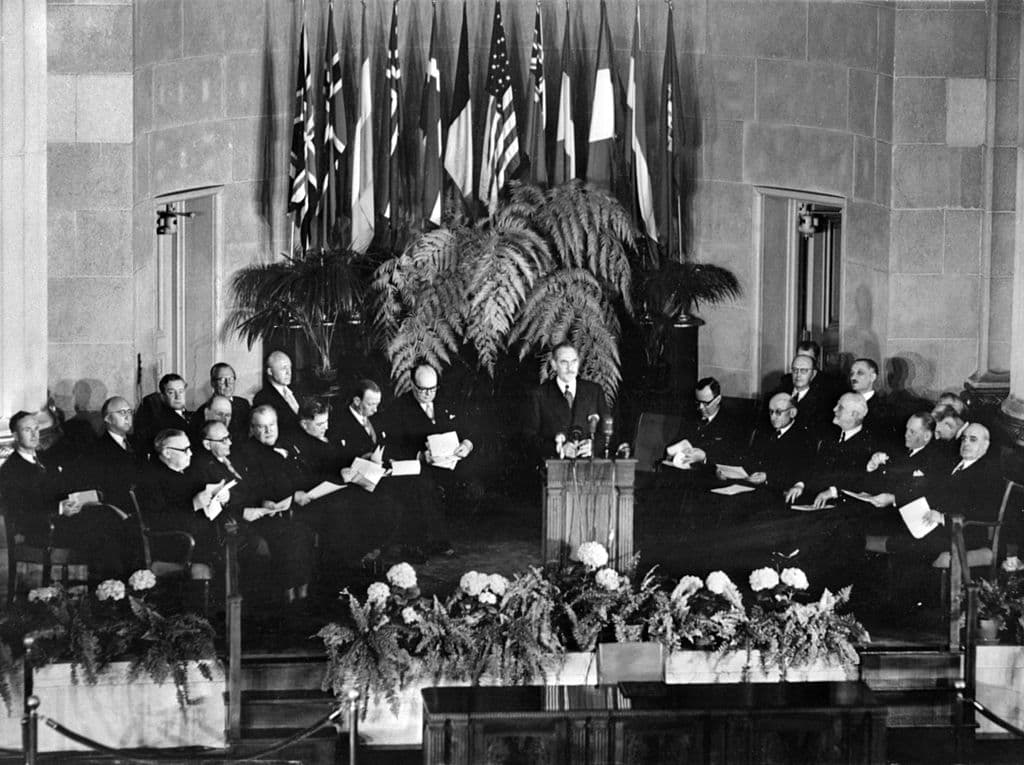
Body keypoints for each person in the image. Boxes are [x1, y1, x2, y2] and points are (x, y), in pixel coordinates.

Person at [191, 420, 315, 605]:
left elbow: (251, 490)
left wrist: (263, 502)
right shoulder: (203, 469)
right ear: (207, 444)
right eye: (223, 440)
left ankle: (299, 590)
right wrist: (244, 512)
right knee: (268, 543)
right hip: (234, 525)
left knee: (298, 531)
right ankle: (276, 599)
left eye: (229, 437)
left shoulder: (233, 460)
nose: (229, 443)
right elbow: (213, 510)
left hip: (257, 514)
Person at [0, 411, 129, 580]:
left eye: (36, 429)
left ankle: (118, 588)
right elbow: (20, 511)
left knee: (111, 518)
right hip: (41, 530)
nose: (34, 434)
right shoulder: (11, 470)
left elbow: (61, 489)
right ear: (16, 435)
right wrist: (59, 509)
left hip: (63, 523)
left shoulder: (45, 460)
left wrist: (83, 498)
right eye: (27, 430)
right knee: (101, 528)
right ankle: (108, 590)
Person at [135, 428, 220, 565]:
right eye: (185, 450)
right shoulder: (150, 480)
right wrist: (193, 505)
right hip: (180, 546)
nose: (191, 453)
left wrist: (219, 495)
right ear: (167, 453)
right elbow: (157, 521)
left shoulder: (189, 471)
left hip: (204, 537)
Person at [785, 393, 875, 509]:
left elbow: (859, 480)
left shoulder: (868, 444)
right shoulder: (829, 437)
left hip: (845, 507)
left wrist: (832, 492)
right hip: (816, 500)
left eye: (840, 407)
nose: (834, 409)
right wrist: (800, 485)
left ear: (854, 414)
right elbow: (814, 467)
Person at [524, 342, 610, 460]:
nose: (570, 368)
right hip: (552, 470)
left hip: (589, 469)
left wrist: (593, 446)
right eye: (564, 362)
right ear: (554, 365)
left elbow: (607, 432)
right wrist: (558, 448)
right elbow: (528, 438)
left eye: (574, 361)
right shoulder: (539, 394)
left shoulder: (595, 391)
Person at [665, 377, 744, 469]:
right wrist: (670, 453)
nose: (701, 407)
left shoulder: (731, 422)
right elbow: (679, 439)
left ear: (718, 400)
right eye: (698, 402)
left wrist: (704, 458)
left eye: (705, 403)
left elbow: (732, 457)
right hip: (686, 469)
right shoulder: (691, 415)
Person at [740, 393, 814, 490]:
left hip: (783, 491)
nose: (773, 417)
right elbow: (751, 459)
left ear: (792, 412)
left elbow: (799, 472)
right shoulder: (763, 432)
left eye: (778, 412)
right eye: (771, 412)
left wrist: (768, 477)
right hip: (757, 488)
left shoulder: (803, 437)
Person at [328, 379, 386, 466]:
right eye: (370, 404)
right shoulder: (338, 423)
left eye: (377, 404)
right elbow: (337, 459)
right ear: (357, 401)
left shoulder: (377, 417)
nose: (375, 409)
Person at [135, 374, 192, 456]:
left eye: (181, 391)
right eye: (171, 392)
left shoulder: (190, 415)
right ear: (162, 396)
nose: (178, 397)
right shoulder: (160, 422)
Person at [778, 354, 832, 435]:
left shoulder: (821, 402)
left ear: (813, 374)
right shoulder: (779, 394)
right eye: (795, 370)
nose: (798, 375)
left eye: (803, 371)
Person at [252, 351, 302, 438]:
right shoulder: (262, 398)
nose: (289, 372)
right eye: (283, 368)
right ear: (270, 371)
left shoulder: (297, 391)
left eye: (290, 368)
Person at [195, 364, 251, 440]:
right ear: (213, 383)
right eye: (222, 380)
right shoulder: (203, 411)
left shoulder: (243, 404)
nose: (227, 384)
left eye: (231, 379)